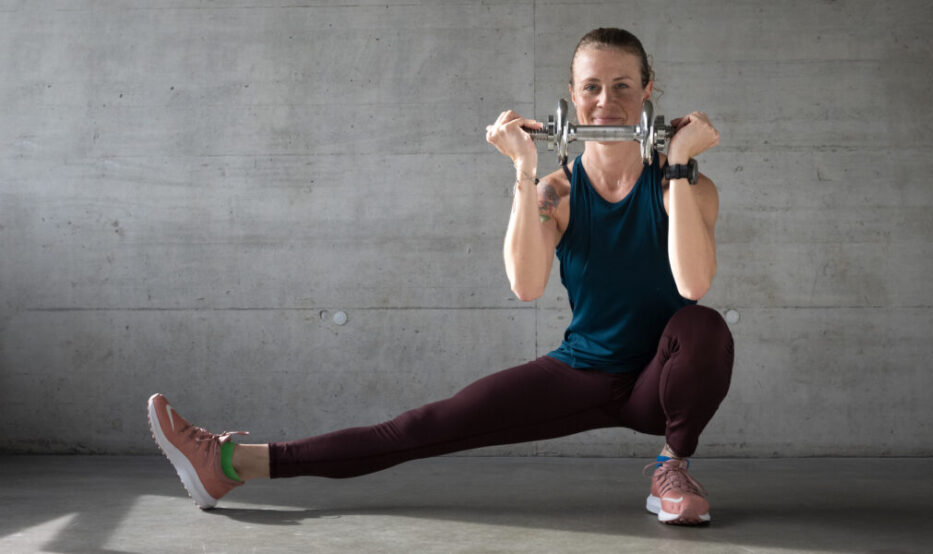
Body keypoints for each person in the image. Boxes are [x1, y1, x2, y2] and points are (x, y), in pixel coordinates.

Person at [148, 27, 733, 526]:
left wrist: (679, 163)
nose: (606, 101)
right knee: (418, 427)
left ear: (648, 90)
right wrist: (524, 168)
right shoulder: (555, 193)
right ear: (572, 97)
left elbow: (692, 285)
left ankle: (671, 469)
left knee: (702, 326)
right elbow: (526, 286)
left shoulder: (683, 186)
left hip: (662, 384)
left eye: (623, 85)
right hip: (583, 371)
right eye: (592, 87)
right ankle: (229, 465)